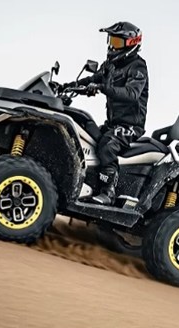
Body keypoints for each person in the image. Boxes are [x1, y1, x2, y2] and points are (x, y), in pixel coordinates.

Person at [62, 21, 149, 205]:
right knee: (85, 129)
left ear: (131, 43)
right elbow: (93, 78)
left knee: (107, 146)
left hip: (130, 126)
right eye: (111, 41)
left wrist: (103, 88)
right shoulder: (110, 65)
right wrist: (67, 86)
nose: (112, 46)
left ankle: (108, 192)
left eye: (117, 42)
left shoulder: (138, 66)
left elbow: (132, 94)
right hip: (112, 123)